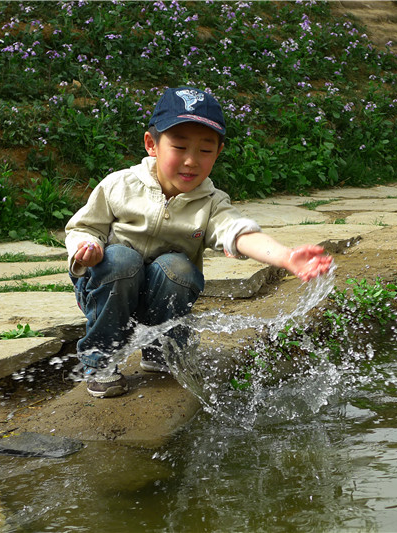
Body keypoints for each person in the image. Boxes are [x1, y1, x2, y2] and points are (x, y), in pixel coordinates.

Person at [65, 86, 332, 398]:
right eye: (179, 147)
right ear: (152, 144)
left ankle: (162, 351)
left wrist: (285, 257)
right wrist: (87, 250)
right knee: (121, 259)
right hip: (109, 289)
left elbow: (239, 232)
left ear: (217, 153)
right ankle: (101, 359)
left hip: (163, 296)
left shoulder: (211, 203)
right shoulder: (119, 186)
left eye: (205, 151)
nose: (191, 161)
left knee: (177, 267)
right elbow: (83, 228)